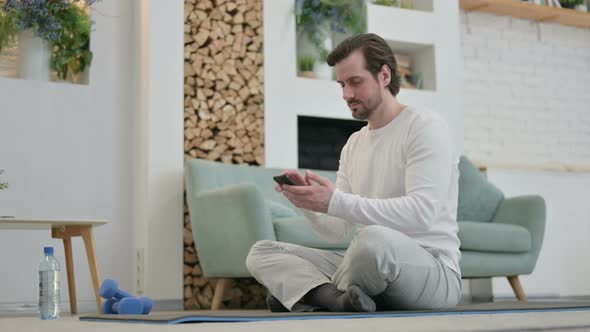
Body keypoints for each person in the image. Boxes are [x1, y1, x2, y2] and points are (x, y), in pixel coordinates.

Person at [246, 33, 461, 312]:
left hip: (432, 269)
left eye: (355, 82)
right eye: (342, 84)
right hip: (368, 262)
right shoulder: (354, 144)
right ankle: (336, 299)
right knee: (262, 252)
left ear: (384, 75)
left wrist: (334, 200)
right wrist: (309, 204)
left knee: (372, 241)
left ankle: (311, 295)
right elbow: (337, 231)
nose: (346, 94)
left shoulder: (425, 126)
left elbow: (422, 213)